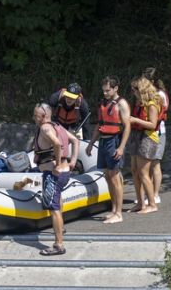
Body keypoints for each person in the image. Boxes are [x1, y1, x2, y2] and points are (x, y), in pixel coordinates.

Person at [32, 103, 79, 256]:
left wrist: (58, 165)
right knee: (57, 201)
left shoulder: (45, 128)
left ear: (44, 116)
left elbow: (57, 144)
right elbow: (75, 140)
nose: (34, 118)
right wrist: (73, 161)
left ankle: (59, 245)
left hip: (54, 174)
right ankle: (61, 228)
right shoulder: (57, 126)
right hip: (64, 173)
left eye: (36, 115)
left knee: (54, 209)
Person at [85, 76, 131, 224]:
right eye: (103, 90)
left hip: (114, 140)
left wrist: (121, 147)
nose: (105, 93)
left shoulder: (121, 104)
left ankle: (119, 213)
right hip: (103, 141)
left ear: (116, 88)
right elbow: (100, 124)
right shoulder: (103, 103)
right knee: (107, 176)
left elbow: (127, 126)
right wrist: (91, 143)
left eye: (108, 90)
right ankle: (113, 209)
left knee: (115, 177)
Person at [127, 77, 161, 214]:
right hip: (137, 137)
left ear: (142, 90)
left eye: (135, 90)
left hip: (148, 139)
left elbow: (153, 125)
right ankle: (140, 203)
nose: (133, 92)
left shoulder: (152, 104)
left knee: (143, 173)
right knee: (135, 171)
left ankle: (152, 203)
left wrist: (135, 120)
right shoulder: (139, 103)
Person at [141, 67, 168, 207]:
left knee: (155, 163)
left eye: (145, 81)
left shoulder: (159, 95)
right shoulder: (149, 94)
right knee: (148, 164)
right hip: (149, 132)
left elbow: (156, 116)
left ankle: (155, 195)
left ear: (152, 81)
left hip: (158, 132)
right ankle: (148, 194)